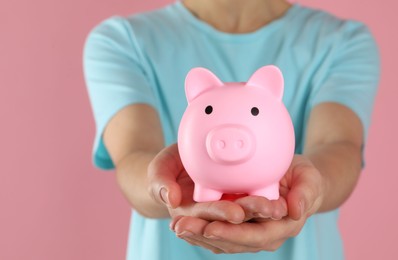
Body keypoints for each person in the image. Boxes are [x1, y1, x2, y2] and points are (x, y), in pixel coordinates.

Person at [83, 0, 380, 259]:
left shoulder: (342, 41)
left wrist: (312, 190)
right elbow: (135, 153)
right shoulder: (122, 40)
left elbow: (338, 144)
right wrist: (163, 187)